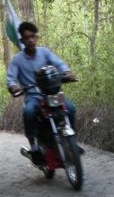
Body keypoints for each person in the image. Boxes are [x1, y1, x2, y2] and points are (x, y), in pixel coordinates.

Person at [7, 21, 78, 160]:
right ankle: (34, 147)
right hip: (33, 97)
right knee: (28, 112)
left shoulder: (45, 52)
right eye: (27, 37)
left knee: (70, 108)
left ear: (36, 37)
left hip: (52, 94)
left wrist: (67, 73)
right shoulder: (17, 60)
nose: (31, 40)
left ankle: (72, 142)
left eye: (33, 36)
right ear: (22, 40)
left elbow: (59, 64)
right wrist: (13, 87)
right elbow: (11, 79)